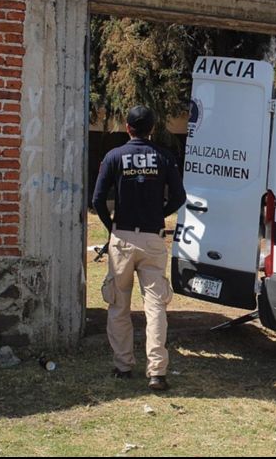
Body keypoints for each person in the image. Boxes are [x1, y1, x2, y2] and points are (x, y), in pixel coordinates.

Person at [92, 105, 186, 391]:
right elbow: (179, 197)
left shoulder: (114, 156)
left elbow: (97, 199)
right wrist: (160, 212)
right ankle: (157, 372)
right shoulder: (164, 157)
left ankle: (123, 365)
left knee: (118, 304)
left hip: (122, 238)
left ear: (127, 126)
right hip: (153, 239)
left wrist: (112, 229)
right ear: (153, 128)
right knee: (155, 306)